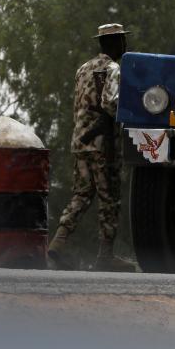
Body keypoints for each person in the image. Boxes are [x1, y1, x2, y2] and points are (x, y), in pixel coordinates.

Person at [48, 23, 135, 272]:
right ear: (116, 43)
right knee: (110, 199)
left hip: (80, 141)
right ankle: (105, 256)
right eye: (122, 41)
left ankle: (59, 241)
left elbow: (79, 105)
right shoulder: (113, 69)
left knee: (82, 195)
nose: (125, 45)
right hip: (103, 144)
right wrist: (129, 113)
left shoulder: (82, 69)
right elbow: (110, 102)